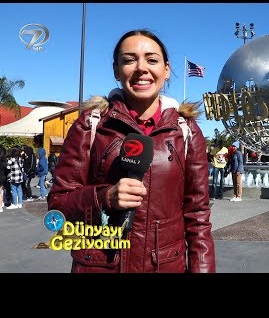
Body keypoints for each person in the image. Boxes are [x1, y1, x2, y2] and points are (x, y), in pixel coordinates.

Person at [48, 29, 215, 273]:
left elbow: (198, 215)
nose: (141, 68)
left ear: (166, 69)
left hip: (166, 265)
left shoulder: (186, 131)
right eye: (129, 60)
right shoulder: (91, 124)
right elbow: (57, 207)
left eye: (152, 59)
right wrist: (104, 198)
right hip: (101, 265)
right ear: (116, 70)